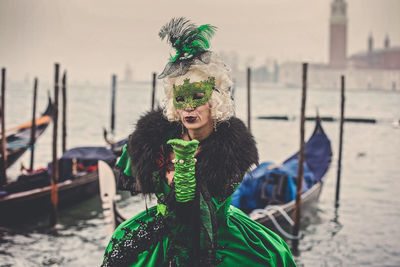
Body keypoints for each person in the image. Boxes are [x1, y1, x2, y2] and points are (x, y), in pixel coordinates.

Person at [101, 17, 296, 267]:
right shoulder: (154, 141)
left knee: (271, 257)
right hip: (164, 230)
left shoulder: (233, 149)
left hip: (218, 234)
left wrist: (185, 180)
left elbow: (204, 207)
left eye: (198, 96)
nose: (190, 106)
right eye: (182, 98)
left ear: (214, 101)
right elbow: (141, 180)